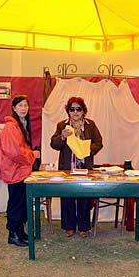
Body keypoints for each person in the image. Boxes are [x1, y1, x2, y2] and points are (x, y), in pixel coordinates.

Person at [50, 97, 103, 238]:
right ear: (68, 111)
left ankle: (84, 227)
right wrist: (61, 136)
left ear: (83, 110)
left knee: (84, 196)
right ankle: (69, 226)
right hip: (67, 168)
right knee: (67, 197)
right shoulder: (62, 125)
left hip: (84, 167)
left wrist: (88, 151)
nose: (75, 112)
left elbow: (99, 142)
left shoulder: (90, 125)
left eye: (78, 108)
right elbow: (54, 144)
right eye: (72, 109)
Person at [0, 95, 41, 247]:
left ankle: (20, 232)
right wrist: (32, 155)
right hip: (15, 172)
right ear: (14, 108)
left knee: (22, 203)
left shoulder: (20, 125)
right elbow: (14, 152)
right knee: (16, 204)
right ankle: (13, 234)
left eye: (26, 105)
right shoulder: (11, 127)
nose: (24, 108)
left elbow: (20, 149)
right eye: (20, 105)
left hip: (21, 171)